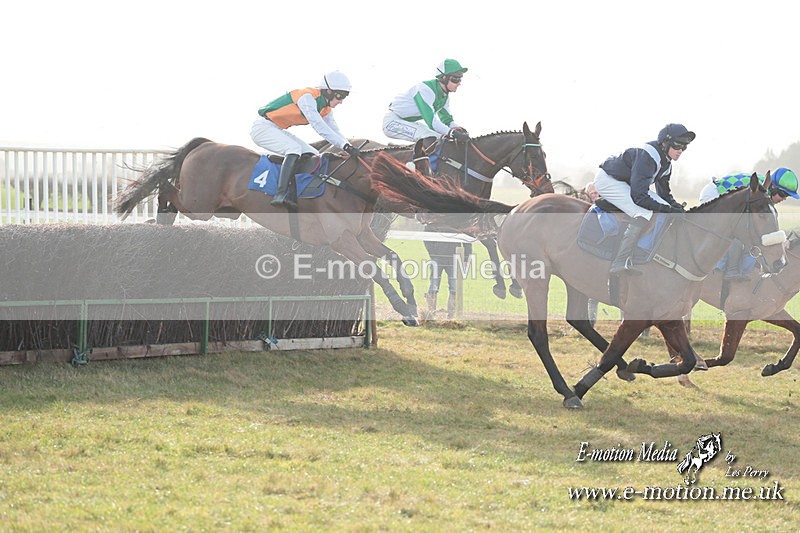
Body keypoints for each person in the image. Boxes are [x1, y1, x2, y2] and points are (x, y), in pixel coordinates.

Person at [593, 123, 696, 275]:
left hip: (626, 183)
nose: (680, 151)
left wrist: (675, 207)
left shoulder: (667, 164)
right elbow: (639, 197)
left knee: (664, 207)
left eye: (684, 147)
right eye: (677, 146)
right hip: (608, 180)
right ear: (665, 143)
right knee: (644, 213)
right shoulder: (647, 156)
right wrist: (668, 209)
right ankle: (620, 261)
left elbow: (664, 195)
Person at [250, 71, 361, 209]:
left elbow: (334, 131)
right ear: (328, 91)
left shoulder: (326, 108)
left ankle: (297, 192)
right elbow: (319, 126)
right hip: (262, 128)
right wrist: (344, 146)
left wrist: (349, 147)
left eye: (344, 96)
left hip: (276, 128)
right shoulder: (307, 98)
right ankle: (281, 194)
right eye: (340, 95)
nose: (341, 101)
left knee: (315, 154)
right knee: (294, 149)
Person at [698, 167, 798, 280]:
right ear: (773, 187)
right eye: (782, 194)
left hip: (729, 197)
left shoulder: (765, 193)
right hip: (714, 193)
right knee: (736, 228)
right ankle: (730, 270)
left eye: (787, 196)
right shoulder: (759, 190)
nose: (784, 198)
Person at [382, 59, 470, 143]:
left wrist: (458, 129)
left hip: (408, 122)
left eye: (460, 79)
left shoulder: (444, 96)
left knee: (441, 136)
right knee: (432, 136)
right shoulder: (425, 89)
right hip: (392, 122)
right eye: (455, 79)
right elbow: (432, 123)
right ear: (444, 78)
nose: (459, 83)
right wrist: (453, 133)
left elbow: (447, 121)